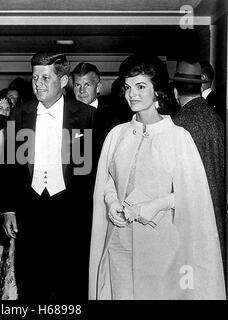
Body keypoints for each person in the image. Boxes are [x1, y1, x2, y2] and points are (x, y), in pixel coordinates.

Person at [89, 54, 225, 300]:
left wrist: (154, 205)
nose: (133, 94)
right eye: (128, 87)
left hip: (160, 246)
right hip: (119, 243)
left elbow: (192, 194)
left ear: (158, 91)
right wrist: (111, 203)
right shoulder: (117, 135)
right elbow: (109, 179)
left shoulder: (178, 137)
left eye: (141, 87)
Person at [0, 52, 95, 300]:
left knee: (71, 283)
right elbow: (10, 163)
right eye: (34, 77)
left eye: (45, 77)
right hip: (30, 209)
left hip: (71, 212)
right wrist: (9, 208)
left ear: (63, 81)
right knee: (31, 282)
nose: (37, 83)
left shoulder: (87, 116)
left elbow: (93, 170)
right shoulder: (20, 113)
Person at [171, 60, 226, 276]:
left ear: (176, 92)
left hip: (192, 221)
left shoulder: (179, 124)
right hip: (217, 215)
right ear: (200, 88)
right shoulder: (217, 119)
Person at [72, 62, 132, 173]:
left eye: (87, 85)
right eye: (77, 85)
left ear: (98, 87)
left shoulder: (116, 117)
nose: (82, 91)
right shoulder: (64, 114)